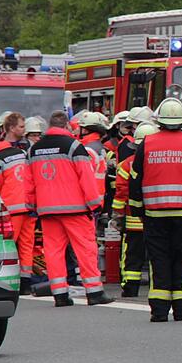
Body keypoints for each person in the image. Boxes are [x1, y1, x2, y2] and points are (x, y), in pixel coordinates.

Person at [128, 98, 182, 322]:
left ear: (159, 121)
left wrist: (137, 210)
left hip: (155, 215)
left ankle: (159, 311)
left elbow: (135, 178)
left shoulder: (147, 143)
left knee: (158, 260)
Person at [27, 111, 111, 307]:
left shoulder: (34, 150)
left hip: (47, 210)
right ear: (66, 126)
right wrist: (94, 204)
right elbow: (86, 178)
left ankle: (60, 295)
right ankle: (94, 292)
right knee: (85, 249)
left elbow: (28, 184)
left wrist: (32, 206)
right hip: (76, 209)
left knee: (53, 252)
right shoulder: (73, 146)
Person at [0, 112, 36, 294]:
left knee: (8, 245)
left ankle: (6, 280)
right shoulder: (22, 153)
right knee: (26, 245)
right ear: (11, 128)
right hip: (26, 206)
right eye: (21, 127)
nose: (24, 130)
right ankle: (25, 282)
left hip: (12, 208)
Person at [112, 123, 158, 297]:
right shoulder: (158, 161)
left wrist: (118, 214)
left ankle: (130, 287)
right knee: (156, 253)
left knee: (132, 254)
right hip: (154, 217)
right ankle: (157, 286)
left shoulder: (126, 164)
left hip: (133, 219)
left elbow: (121, 191)